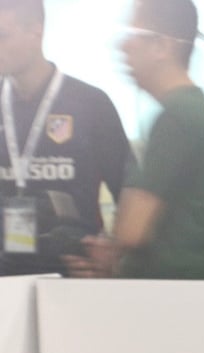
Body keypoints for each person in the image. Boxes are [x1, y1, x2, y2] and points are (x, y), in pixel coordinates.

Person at [64, 0, 204, 279]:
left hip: (175, 302)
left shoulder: (177, 118)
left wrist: (108, 256)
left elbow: (131, 230)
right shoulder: (193, 111)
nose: (123, 46)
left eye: (132, 34)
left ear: (162, 47)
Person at [0, 0, 134, 276]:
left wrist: (112, 256)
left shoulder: (90, 104)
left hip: (75, 275)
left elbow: (129, 191)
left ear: (36, 31)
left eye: (3, 35)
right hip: (7, 277)